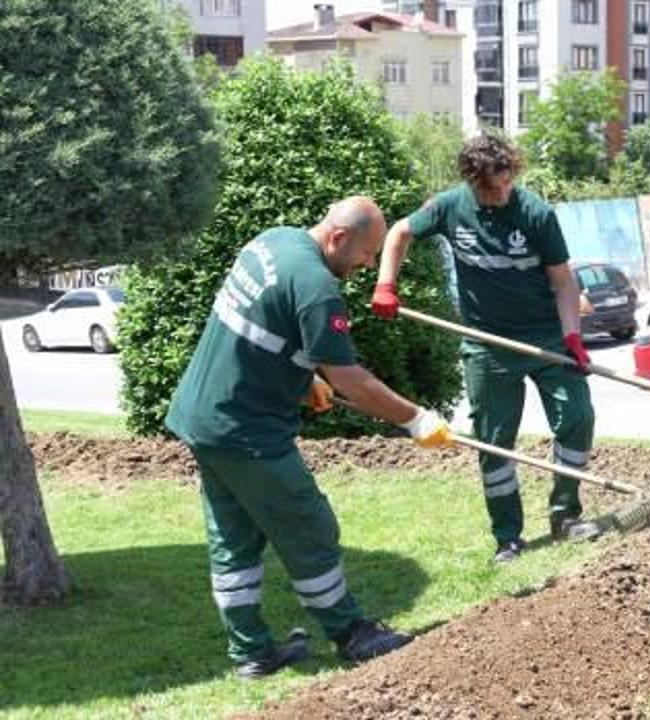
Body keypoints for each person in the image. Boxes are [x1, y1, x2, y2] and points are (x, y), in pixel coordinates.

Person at [166, 197, 452, 679]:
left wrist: (304, 380)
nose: (368, 266)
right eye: (366, 254)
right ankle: (351, 634)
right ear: (338, 238)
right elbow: (351, 379)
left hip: (202, 419)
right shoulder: (318, 288)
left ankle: (252, 653)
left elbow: (260, 328)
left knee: (233, 537)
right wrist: (415, 419)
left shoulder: (272, 242)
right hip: (246, 431)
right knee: (308, 525)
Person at [372, 134, 600, 564]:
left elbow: (563, 282)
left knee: (577, 418)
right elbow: (400, 231)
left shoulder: (535, 213)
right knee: (494, 441)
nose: (501, 193)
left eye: (506, 182)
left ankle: (566, 514)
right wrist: (386, 284)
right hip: (486, 344)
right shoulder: (449, 207)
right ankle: (508, 537)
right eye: (491, 189)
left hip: (546, 337)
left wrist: (572, 336)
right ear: (472, 181)